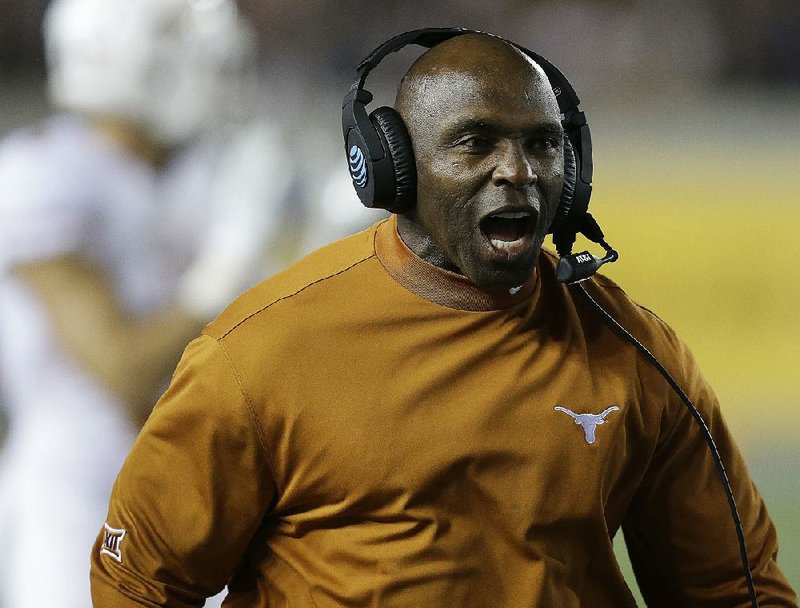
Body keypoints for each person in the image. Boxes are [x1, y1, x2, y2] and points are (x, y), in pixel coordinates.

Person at [89, 31, 798, 607]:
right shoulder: (261, 352)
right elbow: (138, 584)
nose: (517, 171)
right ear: (394, 169)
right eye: (476, 142)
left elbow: (732, 592)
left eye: (543, 144)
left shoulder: (635, 352)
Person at [0, 1, 290, 607]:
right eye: (177, 39)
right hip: (82, 504)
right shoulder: (43, 174)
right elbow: (125, 372)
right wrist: (230, 264)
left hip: (206, 495)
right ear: (112, 53)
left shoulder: (208, 168)